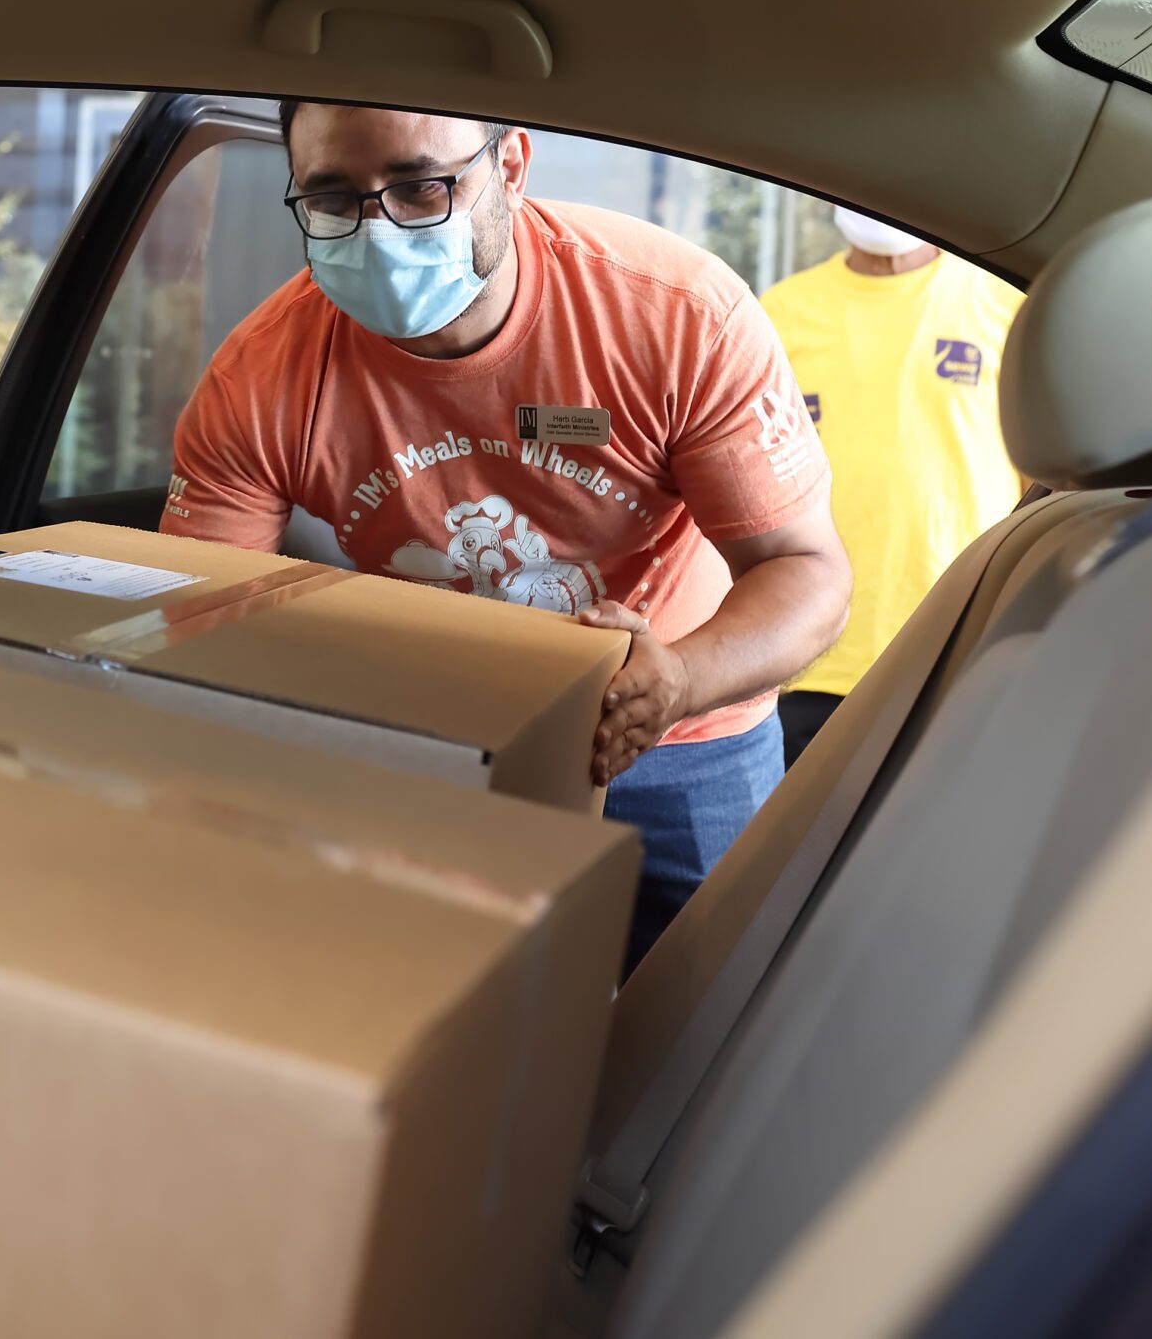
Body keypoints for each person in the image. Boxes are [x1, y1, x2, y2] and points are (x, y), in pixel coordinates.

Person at [167, 106, 851, 970]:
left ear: (513, 165)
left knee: (718, 1024)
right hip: (441, 737)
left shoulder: (677, 318)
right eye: (335, 198)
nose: (378, 230)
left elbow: (807, 573)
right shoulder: (261, 377)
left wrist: (677, 682)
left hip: (686, 740)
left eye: (421, 187)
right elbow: (199, 624)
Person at [759, 208, 1024, 768]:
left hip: (959, 650)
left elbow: (1041, 485)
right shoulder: (781, 311)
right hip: (812, 654)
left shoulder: (1003, 303)